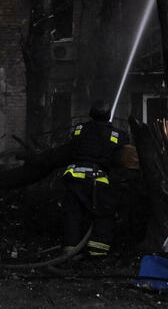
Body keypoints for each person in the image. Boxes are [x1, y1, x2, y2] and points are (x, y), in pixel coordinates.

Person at [62, 100, 126, 258]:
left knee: (73, 214)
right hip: (97, 181)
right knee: (104, 214)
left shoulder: (79, 129)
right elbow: (121, 154)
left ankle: (70, 252)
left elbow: (73, 146)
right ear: (109, 115)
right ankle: (97, 254)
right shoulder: (116, 135)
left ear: (91, 114)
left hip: (74, 178)